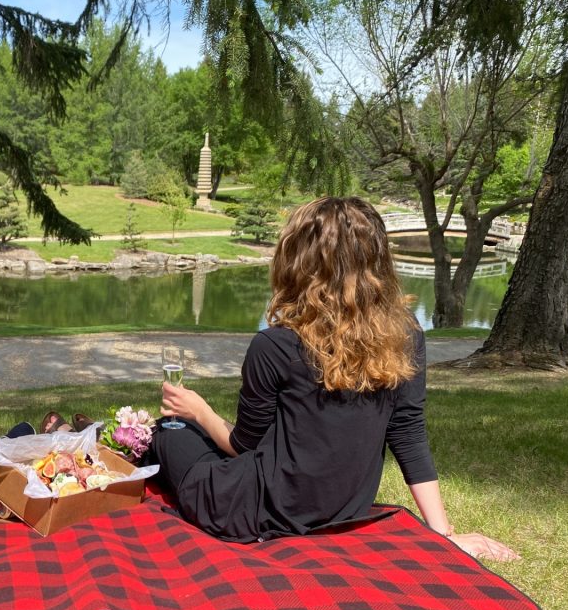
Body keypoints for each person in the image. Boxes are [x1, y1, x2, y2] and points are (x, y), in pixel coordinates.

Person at [152, 196, 518, 562]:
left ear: (297, 261)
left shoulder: (275, 344)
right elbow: (407, 432)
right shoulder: (406, 336)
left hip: (257, 513)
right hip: (343, 513)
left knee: (170, 434)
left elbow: (244, 446)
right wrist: (443, 534)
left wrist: (199, 411)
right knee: (201, 438)